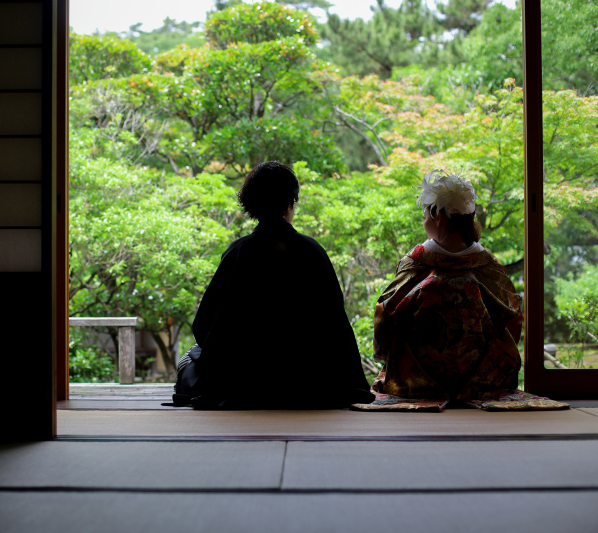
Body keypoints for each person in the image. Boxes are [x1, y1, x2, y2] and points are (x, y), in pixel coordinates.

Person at [174, 161, 374, 408]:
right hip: (310, 383)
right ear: (290, 202)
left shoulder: (238, 252)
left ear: (251, 204)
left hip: (244, 384)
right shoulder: (312, 251)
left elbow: (204, 326)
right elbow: (337, 327)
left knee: (190, 359)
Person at [372, 169, 523, 400]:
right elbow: (512, 316)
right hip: (484, 382)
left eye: (426, 216)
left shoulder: (415, 262)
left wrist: (385, 353)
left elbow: (385, 313)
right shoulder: (489, 265)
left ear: (439, 217)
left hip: (415, 382)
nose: (425, 222)